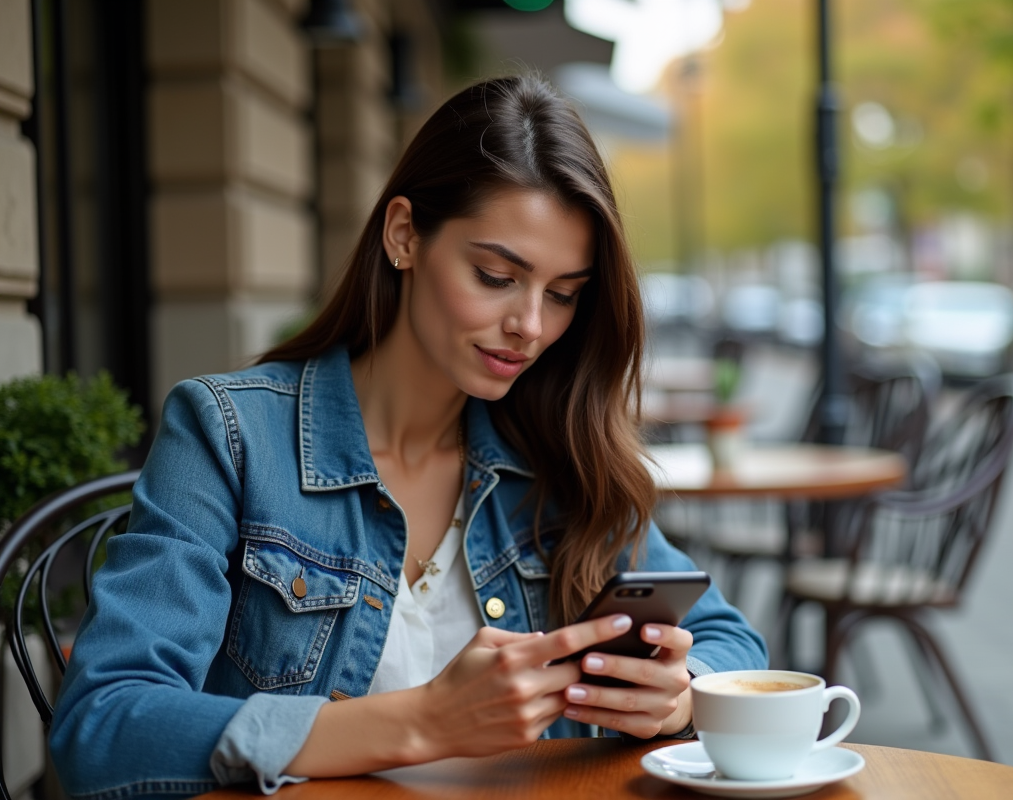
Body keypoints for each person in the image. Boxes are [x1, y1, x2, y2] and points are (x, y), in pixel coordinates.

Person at [50, 75, 767, 798]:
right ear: (403, 236)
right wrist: (424, 722)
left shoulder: (557, 456)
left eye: (563, 294)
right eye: (495, 276)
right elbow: (104, 729)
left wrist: (675, 695)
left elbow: (733, 647)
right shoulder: (231, 436)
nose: (531, 325)